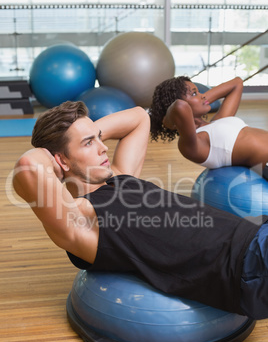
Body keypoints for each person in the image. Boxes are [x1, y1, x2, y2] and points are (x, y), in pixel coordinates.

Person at [12, 100, 268, 320]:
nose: (104, 147)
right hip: (247, 265)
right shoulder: (81, 221)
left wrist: (83, 130)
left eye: (100, 137)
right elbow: (29, 166)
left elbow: (137, 117)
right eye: (89, 143)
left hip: (256, 233)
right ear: (60, 160)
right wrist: (54, 154)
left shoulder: (119, 175)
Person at [149, 76, 268, 178]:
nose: (203, 96)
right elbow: (180, 106)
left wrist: (200, 99)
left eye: (200, 92)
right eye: (195, 93)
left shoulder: (219, 120)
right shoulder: (194, 143)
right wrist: (167, 122)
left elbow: (237, 83)